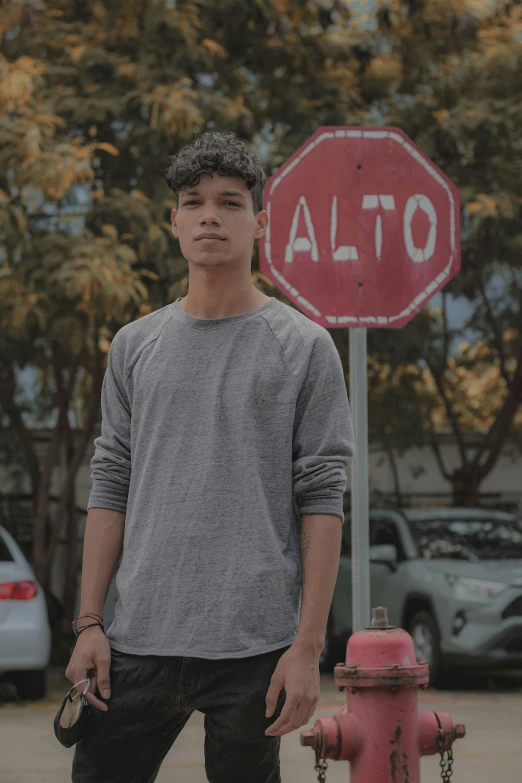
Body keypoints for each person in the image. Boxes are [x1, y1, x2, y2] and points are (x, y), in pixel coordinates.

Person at [65, 130, 355, 783]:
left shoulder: (305, 348)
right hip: (138, 639)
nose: (210, 217)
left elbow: (322, 495)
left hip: (256, 648)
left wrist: (307, 646)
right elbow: (110, 481)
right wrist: (89, 624)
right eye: (193, 202)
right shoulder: (135, 346)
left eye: (229, 202)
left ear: (260, 222)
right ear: (174, 222)